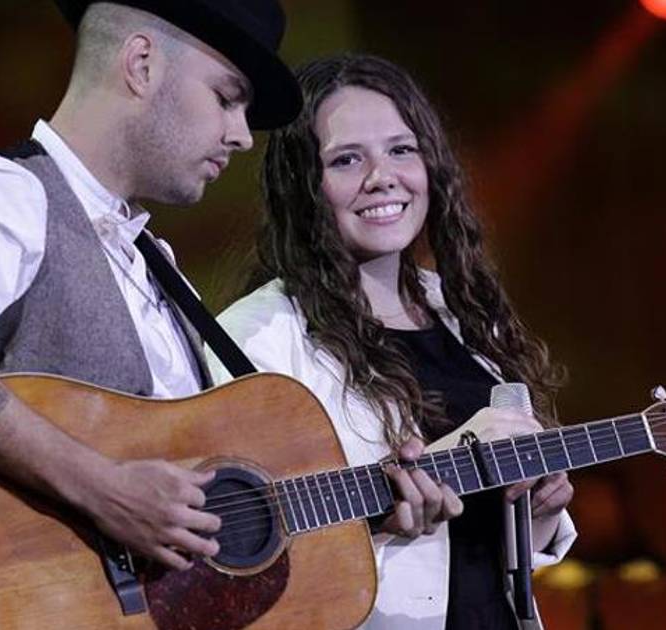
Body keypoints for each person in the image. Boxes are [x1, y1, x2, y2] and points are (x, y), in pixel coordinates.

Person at [0, 0, 300, 572]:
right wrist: (103, 489)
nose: (242, 136)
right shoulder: (10, 193)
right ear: (142, 64)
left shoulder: (158, 268)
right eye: (226, 98)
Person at [213, 54, 577, 629]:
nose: (382, 176)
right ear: (303, 184)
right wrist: (389, 507)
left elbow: (476, 555)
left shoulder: (465, 315)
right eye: (347, 159)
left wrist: (536, 514)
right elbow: (237, 552)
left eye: (401, 150)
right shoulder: (257, 339)